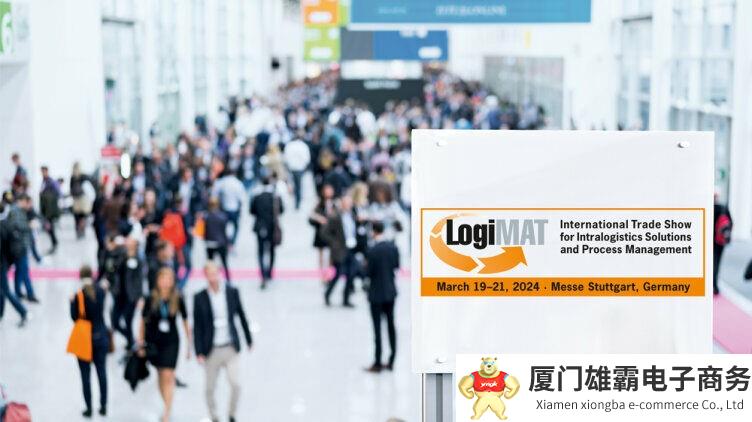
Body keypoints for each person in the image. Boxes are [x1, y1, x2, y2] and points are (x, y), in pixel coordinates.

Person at [193, 263, 253, 422]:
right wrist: (198, 351)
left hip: (230, 346)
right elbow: (197, 326)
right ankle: (214, 416)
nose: (213, 277)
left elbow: (241, 315)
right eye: (209, 274)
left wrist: (248, 339)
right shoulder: (199, 298)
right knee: (209, 388)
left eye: (215, 273)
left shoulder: (232, 292)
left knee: (236, 384)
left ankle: (232, 415)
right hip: (211, 349)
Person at [137, 268, 191, 422]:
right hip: (154, 342)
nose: (166, 283)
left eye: (169, 279)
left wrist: (189, 344)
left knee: (168, 374)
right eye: (163, 279)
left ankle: (167, 411)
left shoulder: (177, 298)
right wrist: (140, 342)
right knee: (160, 374)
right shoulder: (150, 298)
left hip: (171, 342)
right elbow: (143, 322)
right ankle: (166, 403)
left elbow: (185, 321)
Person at [70, 265, 109, 417]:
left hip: (84, 340)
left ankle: (89, 408)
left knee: (85, 377)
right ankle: (103, 406)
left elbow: (75, 318)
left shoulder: (78, 295)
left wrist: (71, 303)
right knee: (102, 373)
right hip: (101, 336)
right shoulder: (101, 291)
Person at [364, 221, 399, 373]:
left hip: (376, 294)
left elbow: (368, 272)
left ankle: (378, 361)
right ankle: (392, 360)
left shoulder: (372, 251)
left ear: (373, 231)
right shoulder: (393, 247)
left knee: (377, 329)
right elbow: (396, 266)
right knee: (391, 327)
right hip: (390, 292)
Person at [322, 195, 359, 307]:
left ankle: (346, 299)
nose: (349, 205)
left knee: (351, 274)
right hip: (340, 250)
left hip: (351, 248)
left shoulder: (352, 215)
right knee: (338, 274)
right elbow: (324, 233)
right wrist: (334, 243)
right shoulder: (335, 217)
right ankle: (327, 294)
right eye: (347, 203)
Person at [0, 192, 29, 327]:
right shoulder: (6, 224)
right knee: (2, 290)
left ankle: (23, 312)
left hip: (1, 264)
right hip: (5, 262)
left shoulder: (2, 227)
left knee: (5, 290)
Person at [250, 176, 284, 289]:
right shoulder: (275, 196)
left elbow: (252, 211)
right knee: (271, 251)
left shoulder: (257, 196)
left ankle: (263, 273)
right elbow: (282, 210)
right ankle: (269, 272)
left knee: (260, 251)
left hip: (260, 226)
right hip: (272, 227)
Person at [112, 238, 144, 350]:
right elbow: (114, 267)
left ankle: (131, 343)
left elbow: (139, 279)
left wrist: (140, 296)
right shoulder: (121, 255)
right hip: (119, 294)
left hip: (131, 296)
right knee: (115, 321)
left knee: (128, 320)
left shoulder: (138, 259)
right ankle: (130, 338)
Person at [7, 194, 39, 304]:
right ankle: (29, 294)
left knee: (20, 271)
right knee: (24, 271)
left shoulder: (21, 211)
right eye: (28, 203)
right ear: (23, 201)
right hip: (18, 246)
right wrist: (29, 225)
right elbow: (15, 226)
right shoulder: (15, 211)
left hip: (21, 245)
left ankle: (18, 293)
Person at [211, 170, 245, 247]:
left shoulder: (222, 182)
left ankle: (225, 241)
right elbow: (242, 199)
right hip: (234, 209)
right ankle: (231, 243)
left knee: (223, 227)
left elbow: (215, 194)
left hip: (224, 208)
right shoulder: (238, 183)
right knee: (235, 227)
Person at [309, 184, 335, 283]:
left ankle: (329, 274)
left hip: (331, 232)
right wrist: (319, 218)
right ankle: (322, 275)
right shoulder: (319, 203)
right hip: (321, 232)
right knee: (321, 255)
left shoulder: (334, 203)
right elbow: (312, 215)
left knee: (331, 255)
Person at [204, 197, 231, 282]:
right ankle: (228, 280)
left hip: (210, 243)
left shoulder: (206, 216)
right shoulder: (222, 216)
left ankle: (210, 280)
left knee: (210, 264)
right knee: (224, 263)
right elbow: (225, 231)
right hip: (220, 242)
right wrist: (227, 243)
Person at [284, 133, 311, 210]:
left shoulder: (289, 145)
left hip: (292, 168)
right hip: (300, 168)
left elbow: (286, 157)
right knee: (299, 185)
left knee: (293, 185)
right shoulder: (303, 146)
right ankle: (298, 201)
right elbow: (307, 159)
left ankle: (296, 201)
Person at [39, 166, 61, 254]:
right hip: (46, 209)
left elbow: (58, 193)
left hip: (50, 210)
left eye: (44, 171)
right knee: (48, 228)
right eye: (42, 171)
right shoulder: (44, 181)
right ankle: (54, 243)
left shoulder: (51, 182)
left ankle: (54, 243)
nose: (43, 173)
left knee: (50, 227)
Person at [713, 197, 732, 295]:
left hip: (708, 240)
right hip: (719, 241)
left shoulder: (707, 207)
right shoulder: (723, 208)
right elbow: (730, 223)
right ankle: (714, 285)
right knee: (716, 263)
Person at [70, 162, 92, 239]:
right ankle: (82, 232)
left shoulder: (73, 177)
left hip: (77, 200)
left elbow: (71, 188)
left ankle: (79, 232)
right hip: (82, 199)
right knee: (82, 217)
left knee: (77, 217)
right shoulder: (83, 176)